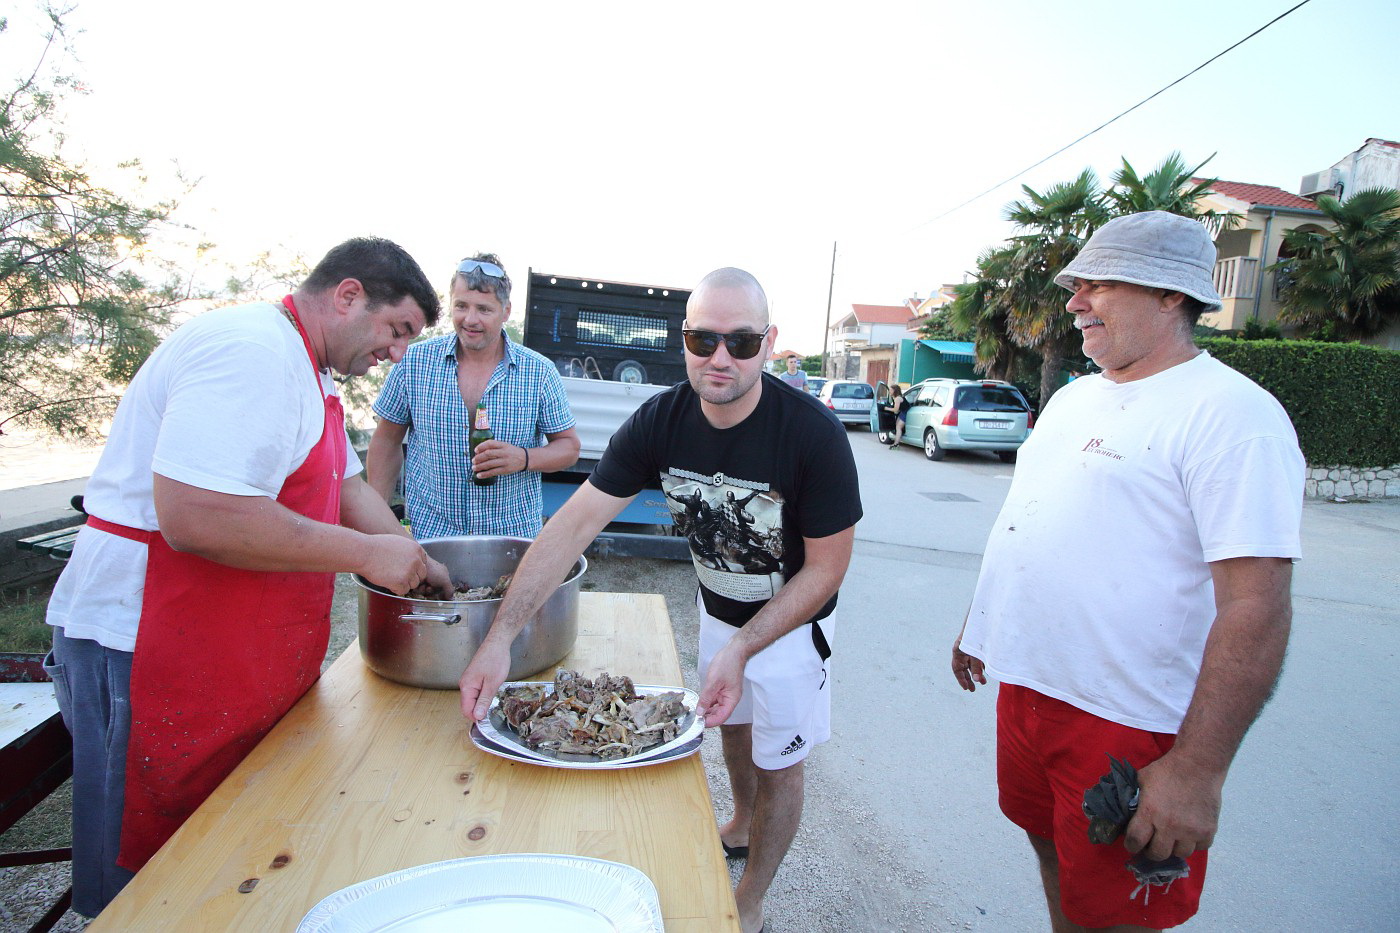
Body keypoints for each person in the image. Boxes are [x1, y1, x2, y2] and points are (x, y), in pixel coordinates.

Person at [43, 237, 454, 917]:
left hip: (227, 647)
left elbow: (348, 486)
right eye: (397, 329)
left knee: (222, 848)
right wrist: (364, 555)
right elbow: (196, 516)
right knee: (142, 876)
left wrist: (417, 556)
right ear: (348, 294)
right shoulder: (250, 352)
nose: (398, 351)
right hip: (141, 641)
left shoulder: (308, 371)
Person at [459, 267, 862, 933]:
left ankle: (754, 895)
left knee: (781, 763)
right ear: (684, 340)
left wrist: (744, 646)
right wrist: (499, 638)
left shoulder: (812, 434)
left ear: (770, 342)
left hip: (790, 624)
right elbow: (572, 525)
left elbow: (826, 571)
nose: (721, 358)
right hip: (717, 609)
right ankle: (737, 820)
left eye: (741, 341)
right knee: (731, 726)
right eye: (704, 340)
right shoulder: (660, 420)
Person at [950, 211, 1305, 931]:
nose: (1075, 301)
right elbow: (1034, 522)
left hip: (1126, 718)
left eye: (1098, 283)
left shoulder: (1235, 415)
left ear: (1172, 294)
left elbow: (1255, 606)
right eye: (1076, 285)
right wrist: (981, 624)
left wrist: (1198, 772)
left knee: (1116, 908)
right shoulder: (1075, 397)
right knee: (1049, 844)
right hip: (1030, 688)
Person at [367, 253, 580, 540]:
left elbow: (568, 448)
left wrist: (524, 458)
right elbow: (386, 441)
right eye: (461, 306)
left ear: (505, 312)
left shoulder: (539, 372)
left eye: (484, 309)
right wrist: (377, 522)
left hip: (510, 535)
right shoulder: (414, 362)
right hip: (431, 532)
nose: (470, 319)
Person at [886, 383, 909, 449]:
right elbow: (897, 410)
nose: (889, 392)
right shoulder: (897, 397)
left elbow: (896, 409)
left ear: (894, 391)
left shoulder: (897, 399)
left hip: (906, 412)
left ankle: (896, 444)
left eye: (890, 390)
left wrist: (887, 408)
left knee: (898, 427)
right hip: (903, 412)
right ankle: (896, 441)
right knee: (897, 425)